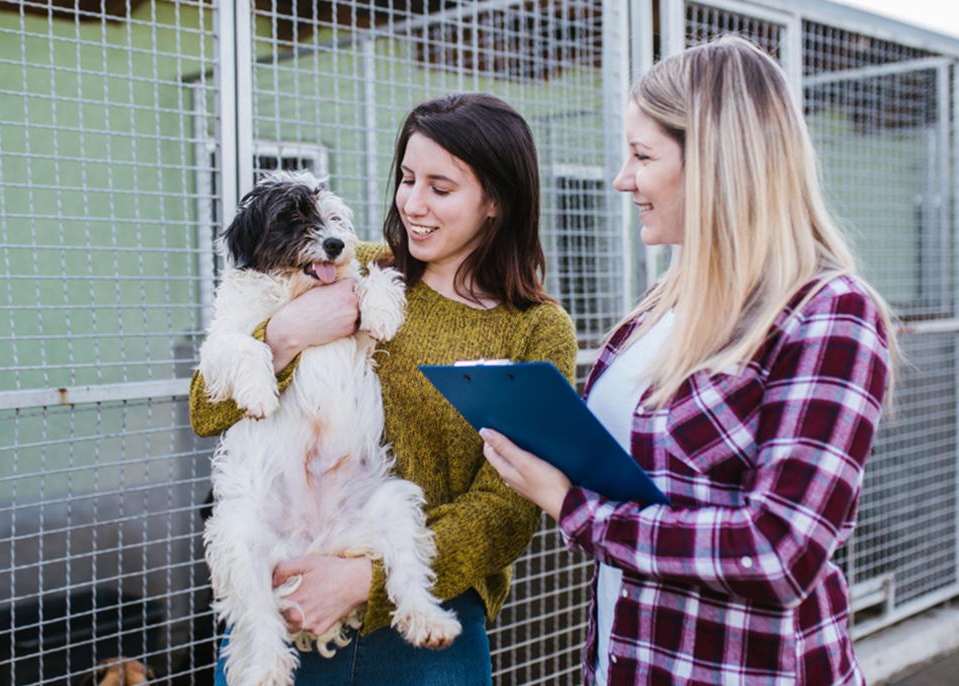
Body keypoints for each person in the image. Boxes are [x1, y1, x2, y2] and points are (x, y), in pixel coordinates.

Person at [479, 36, 897, 686]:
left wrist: (575, 509)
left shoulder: (827, 311)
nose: (623, 179)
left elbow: (778, 553)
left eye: (642, 155)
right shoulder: (661, 306)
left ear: (714, 162)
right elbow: (635, 471)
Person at [189, 92, 578, 685]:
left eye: (440, 188)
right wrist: (283, 336)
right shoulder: (346, 269)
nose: (413, 204)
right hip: (285, 594)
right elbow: (205, 409)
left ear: (496, 200)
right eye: (407, 178)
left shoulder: (535, 328)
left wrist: (362, 579)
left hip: (424, 621)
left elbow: (506, 509)